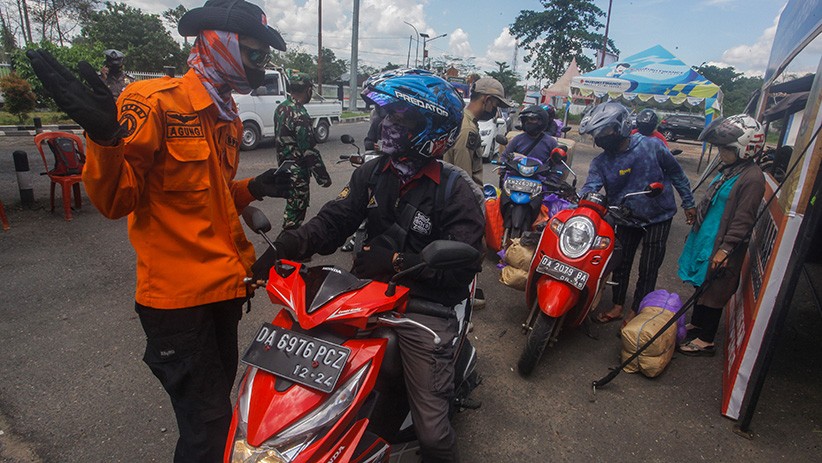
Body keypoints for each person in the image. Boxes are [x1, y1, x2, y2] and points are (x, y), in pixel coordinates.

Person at [26, 1, 292, 461]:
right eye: (253, 53)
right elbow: (115, 201)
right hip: (178, 307)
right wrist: (105, 140)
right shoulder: (153, 103)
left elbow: (207, 196)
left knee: (209, 423)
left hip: (225, 294)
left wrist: (254, 187)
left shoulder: (224, 113)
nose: (260, 65)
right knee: (209, 429)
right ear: (220, 43)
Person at [261, 72, 485, 463]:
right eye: (385, 114)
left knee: (432, 432)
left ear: (430, 128)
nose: (386, 124)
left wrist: (400, 262)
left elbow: (464, 265)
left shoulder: (456, 191)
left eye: (401, 117)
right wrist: (289, 245)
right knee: (300, 385)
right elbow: (334, 220)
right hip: (363, 298)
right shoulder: (372, 172)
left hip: (423, 310)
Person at [578, 101, 696, 324]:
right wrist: (582, 200)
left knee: (649, 267)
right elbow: (590, 186)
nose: (600, 139)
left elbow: (677, 174)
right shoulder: (601, 162)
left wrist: (688, 203)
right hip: (624, 217)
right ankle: (617, 306)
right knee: (621, 264)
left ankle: (636, 309)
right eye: (597, 135)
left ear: (621, 127)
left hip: (658, 216)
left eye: (605, 132)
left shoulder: (651, 146)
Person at [676, 114, 766, 356]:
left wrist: (726, 249)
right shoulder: (731, 169)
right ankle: (698, 322)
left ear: (745, 149)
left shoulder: (753, 178)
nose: (720, 152)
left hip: (723, 242)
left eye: (725, 148)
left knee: (716, 289)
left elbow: (744, 220)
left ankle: (706, 340)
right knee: (702, 283)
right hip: (707, 235)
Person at [274, 73, 332, 230]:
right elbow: (309, 151)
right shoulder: (300, 114)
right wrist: (323, 177)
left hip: (284, 167)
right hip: (297, 171)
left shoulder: (281, 108)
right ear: (308, 90)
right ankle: (289, 248)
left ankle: (290, 245)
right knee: (296, 212)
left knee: (292, 206)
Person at [443, 76, 514, 186]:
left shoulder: (463, 119)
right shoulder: (468, 129)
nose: (495, 109)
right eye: (496, 104)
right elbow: (463, 179)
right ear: (487, 100)